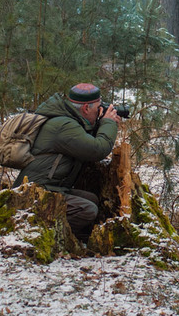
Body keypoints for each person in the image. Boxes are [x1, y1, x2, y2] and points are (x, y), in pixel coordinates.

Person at [19, 83, 121, 241]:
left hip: (47, 187)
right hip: (34, 194)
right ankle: (42, 237)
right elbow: (98, 149)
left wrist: (101, 123)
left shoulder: (67, 120)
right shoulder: (63, 126)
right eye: (98, 108)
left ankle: (77, 240)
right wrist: (108, 123)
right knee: (87, 209)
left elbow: (85, 139)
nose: (100, 111)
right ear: (86, 108)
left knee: (91, 199)